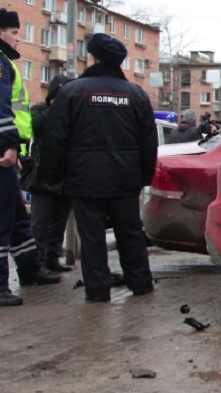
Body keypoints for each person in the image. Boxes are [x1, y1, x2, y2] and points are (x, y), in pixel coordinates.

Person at [39, 33, 158, 303]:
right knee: (130, 233)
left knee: (91, 238)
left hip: (84, 178)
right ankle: (141, 285)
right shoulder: (136, 95)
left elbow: (55, 138)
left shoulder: (72, 91)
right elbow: (148, 141)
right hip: (125, 179)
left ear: (93, 58)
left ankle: (97, 291)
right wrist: (144, 175)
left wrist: (51, 176)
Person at [0, 9, 61, 307]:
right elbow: (2, 112)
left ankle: (29, 268)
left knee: (17, 218)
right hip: (2, 152)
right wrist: (9, 146)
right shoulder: (0, 65)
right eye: (13, 31)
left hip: (11, 152)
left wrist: (18, 149)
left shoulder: (7, 64)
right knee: (3, 220)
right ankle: (0, 286)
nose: (18, 37)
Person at [28, 75, 75, 272]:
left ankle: (52, 259)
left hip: (65, 175)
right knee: (40, 223)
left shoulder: (72, 114)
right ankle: (36, 263)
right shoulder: (40, 110)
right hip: (43, 175)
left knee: (59, 222)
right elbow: (36, 127)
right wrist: (54, 108)